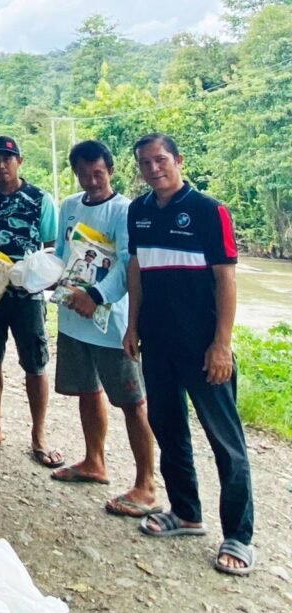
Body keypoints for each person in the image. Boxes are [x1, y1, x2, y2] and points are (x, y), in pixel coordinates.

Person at [124, 133, 255, 575]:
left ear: (179, 160)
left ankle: (238, 534)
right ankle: (186, 513)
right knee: (167, 425)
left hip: (203, 346)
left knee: (225, 440)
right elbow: (137, 271)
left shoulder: (208, 211)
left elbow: (227, 280)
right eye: (145, 163)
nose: (154, 168)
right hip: (157, 342)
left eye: (161, 160)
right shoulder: (138, 213)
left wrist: (222, 344)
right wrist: (132, 325)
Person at [50, 140, 158, 518]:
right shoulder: (69, 207)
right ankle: (94, 462)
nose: (92, 180)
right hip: (73, 318)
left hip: (111, 321)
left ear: (110, 171)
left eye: (98, 173)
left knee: (132, 402)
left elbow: (129, 264)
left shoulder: (123, 210)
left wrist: (96, 295)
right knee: (86, 390)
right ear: (75, 173)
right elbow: (64, 257)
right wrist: (45, 277)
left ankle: (146, 483)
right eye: (83, 173)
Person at [0, 136, 62, 468]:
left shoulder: (40, 199)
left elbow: (51, 248)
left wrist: (35, 272)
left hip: (28, 295)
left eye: (7, 158)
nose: (1, 164)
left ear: (19, 161)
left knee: (35, 364)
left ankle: (39, 435)